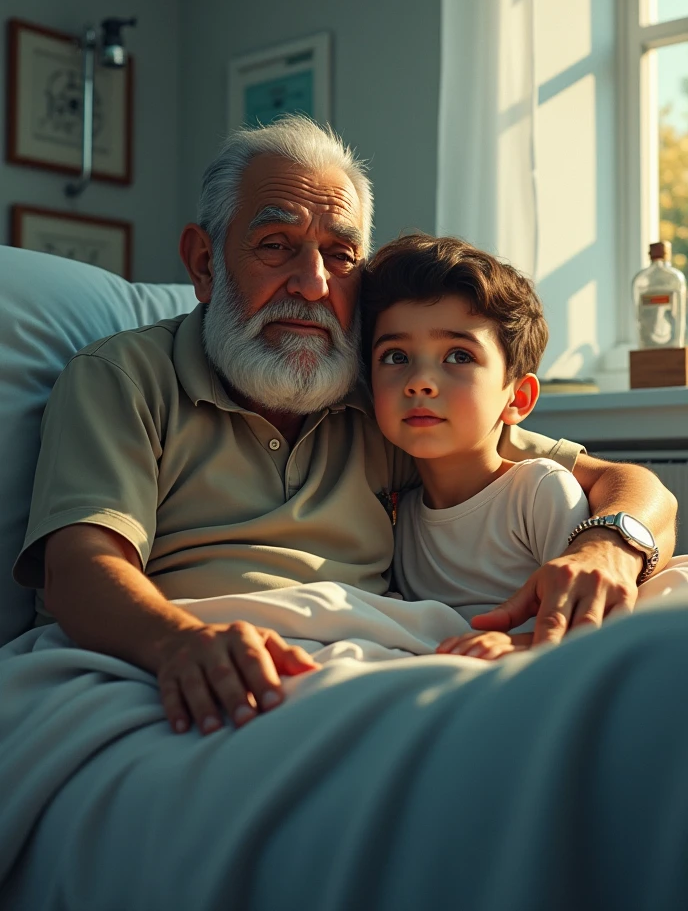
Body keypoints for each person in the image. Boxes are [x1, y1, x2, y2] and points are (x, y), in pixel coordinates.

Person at [13, 115, 677, 739]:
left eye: (340, 255)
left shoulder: (384, 393)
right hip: (204, 646)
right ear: (203, 262)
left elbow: (624, 484)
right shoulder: (124, 375)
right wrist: (181, 642)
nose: (311, 282)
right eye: (277, 246)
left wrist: (606, 546)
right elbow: (81, 569)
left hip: (382, 654)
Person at [363, 232, 594, 659]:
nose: (419, 382)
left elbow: (592, 621)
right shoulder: (396, 518)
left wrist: (516, 643)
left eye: (459, 356)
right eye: (396, 356)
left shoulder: (539, 489)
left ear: (517, 398)